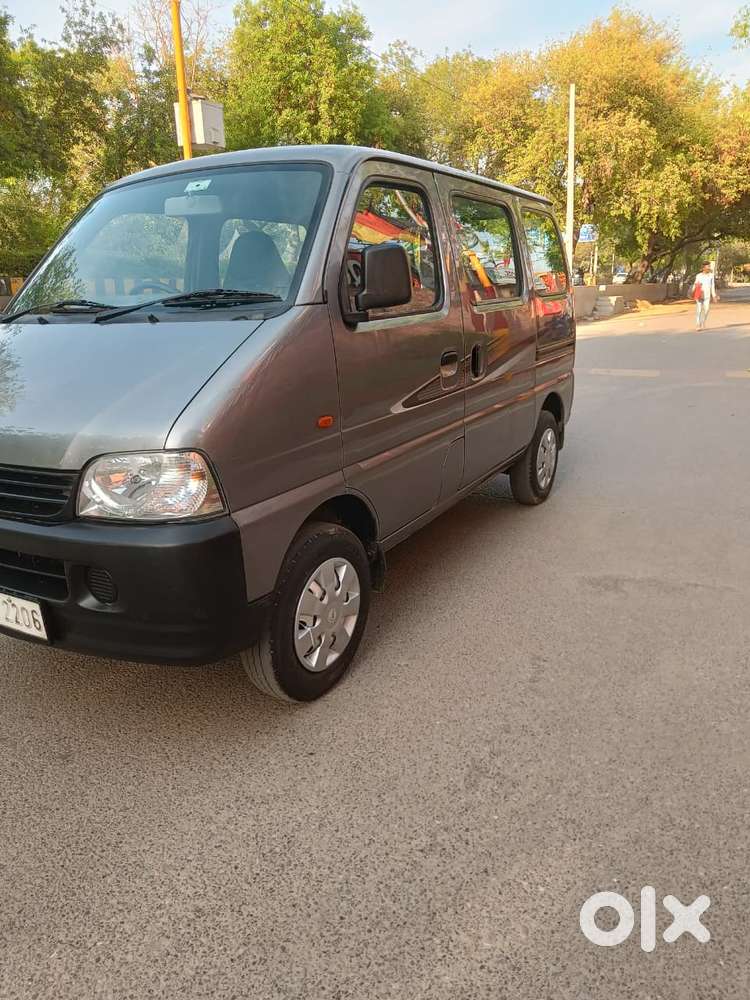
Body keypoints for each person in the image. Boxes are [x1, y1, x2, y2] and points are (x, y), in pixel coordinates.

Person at [692, 262, 718, 330]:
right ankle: (698, 324)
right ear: (703, 268)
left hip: (707, 295)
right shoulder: (698, 275)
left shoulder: (711, 275)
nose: (709, 268)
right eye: (707, 267)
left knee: (707, 310)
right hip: (700, 295)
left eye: (709, 267)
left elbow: (712, 286)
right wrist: (693, 293)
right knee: (699, 310)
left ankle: (703, 322)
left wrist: (714, 296)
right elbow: (695, 284)